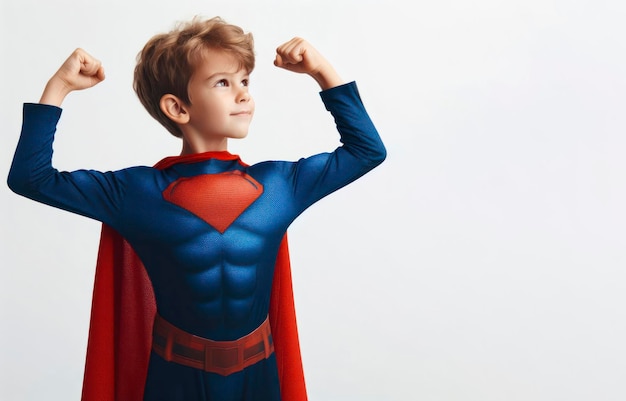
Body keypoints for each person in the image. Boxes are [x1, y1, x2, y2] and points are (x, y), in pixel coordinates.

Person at [8, 16, 385, 401]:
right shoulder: (136, 192)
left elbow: (367, 151)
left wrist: (322, 71)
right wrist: (59, 88)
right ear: (177, 107)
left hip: (259, 376)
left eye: (245, 81)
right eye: (222, 82)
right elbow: (30, 178)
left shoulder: (279, 185)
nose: (243, 95)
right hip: (175, 378)